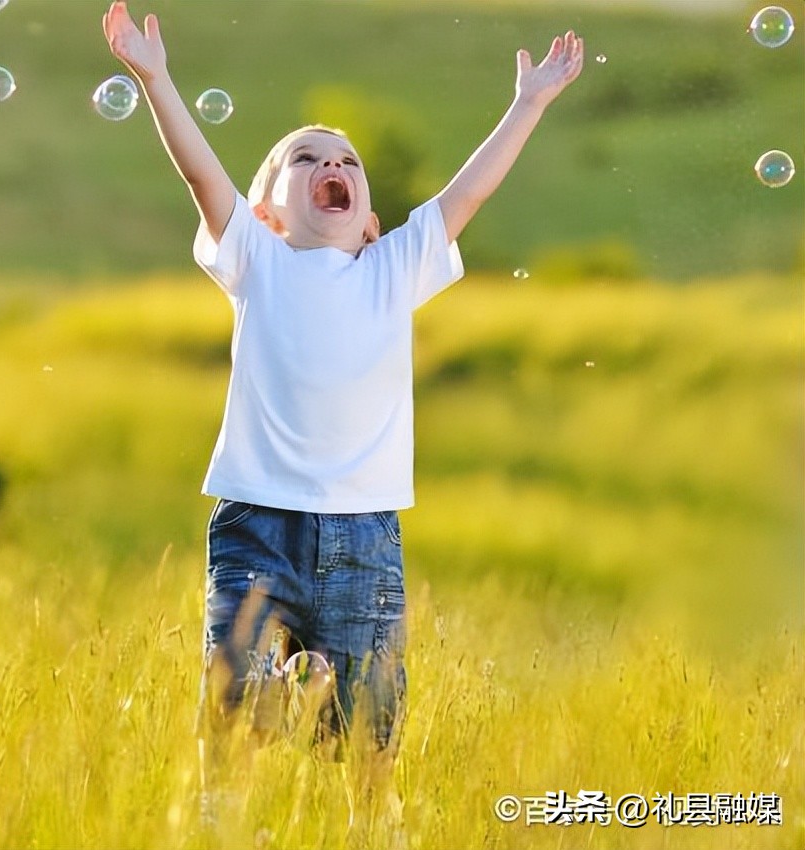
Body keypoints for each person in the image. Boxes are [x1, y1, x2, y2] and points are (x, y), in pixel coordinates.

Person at [102, 0, 583, 763]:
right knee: (230, 719)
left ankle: (316, 695)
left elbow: (469, 194)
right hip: (257, 525)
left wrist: (528, 103)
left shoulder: (392, 267)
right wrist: (157, 78)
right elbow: (201, 171)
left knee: (365, 743)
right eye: (306, 159)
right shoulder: (257, 261)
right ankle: (270, 726)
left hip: (365, 536)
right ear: (265, 215)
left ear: (370, 221)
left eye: (347, 162)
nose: (332, 166)